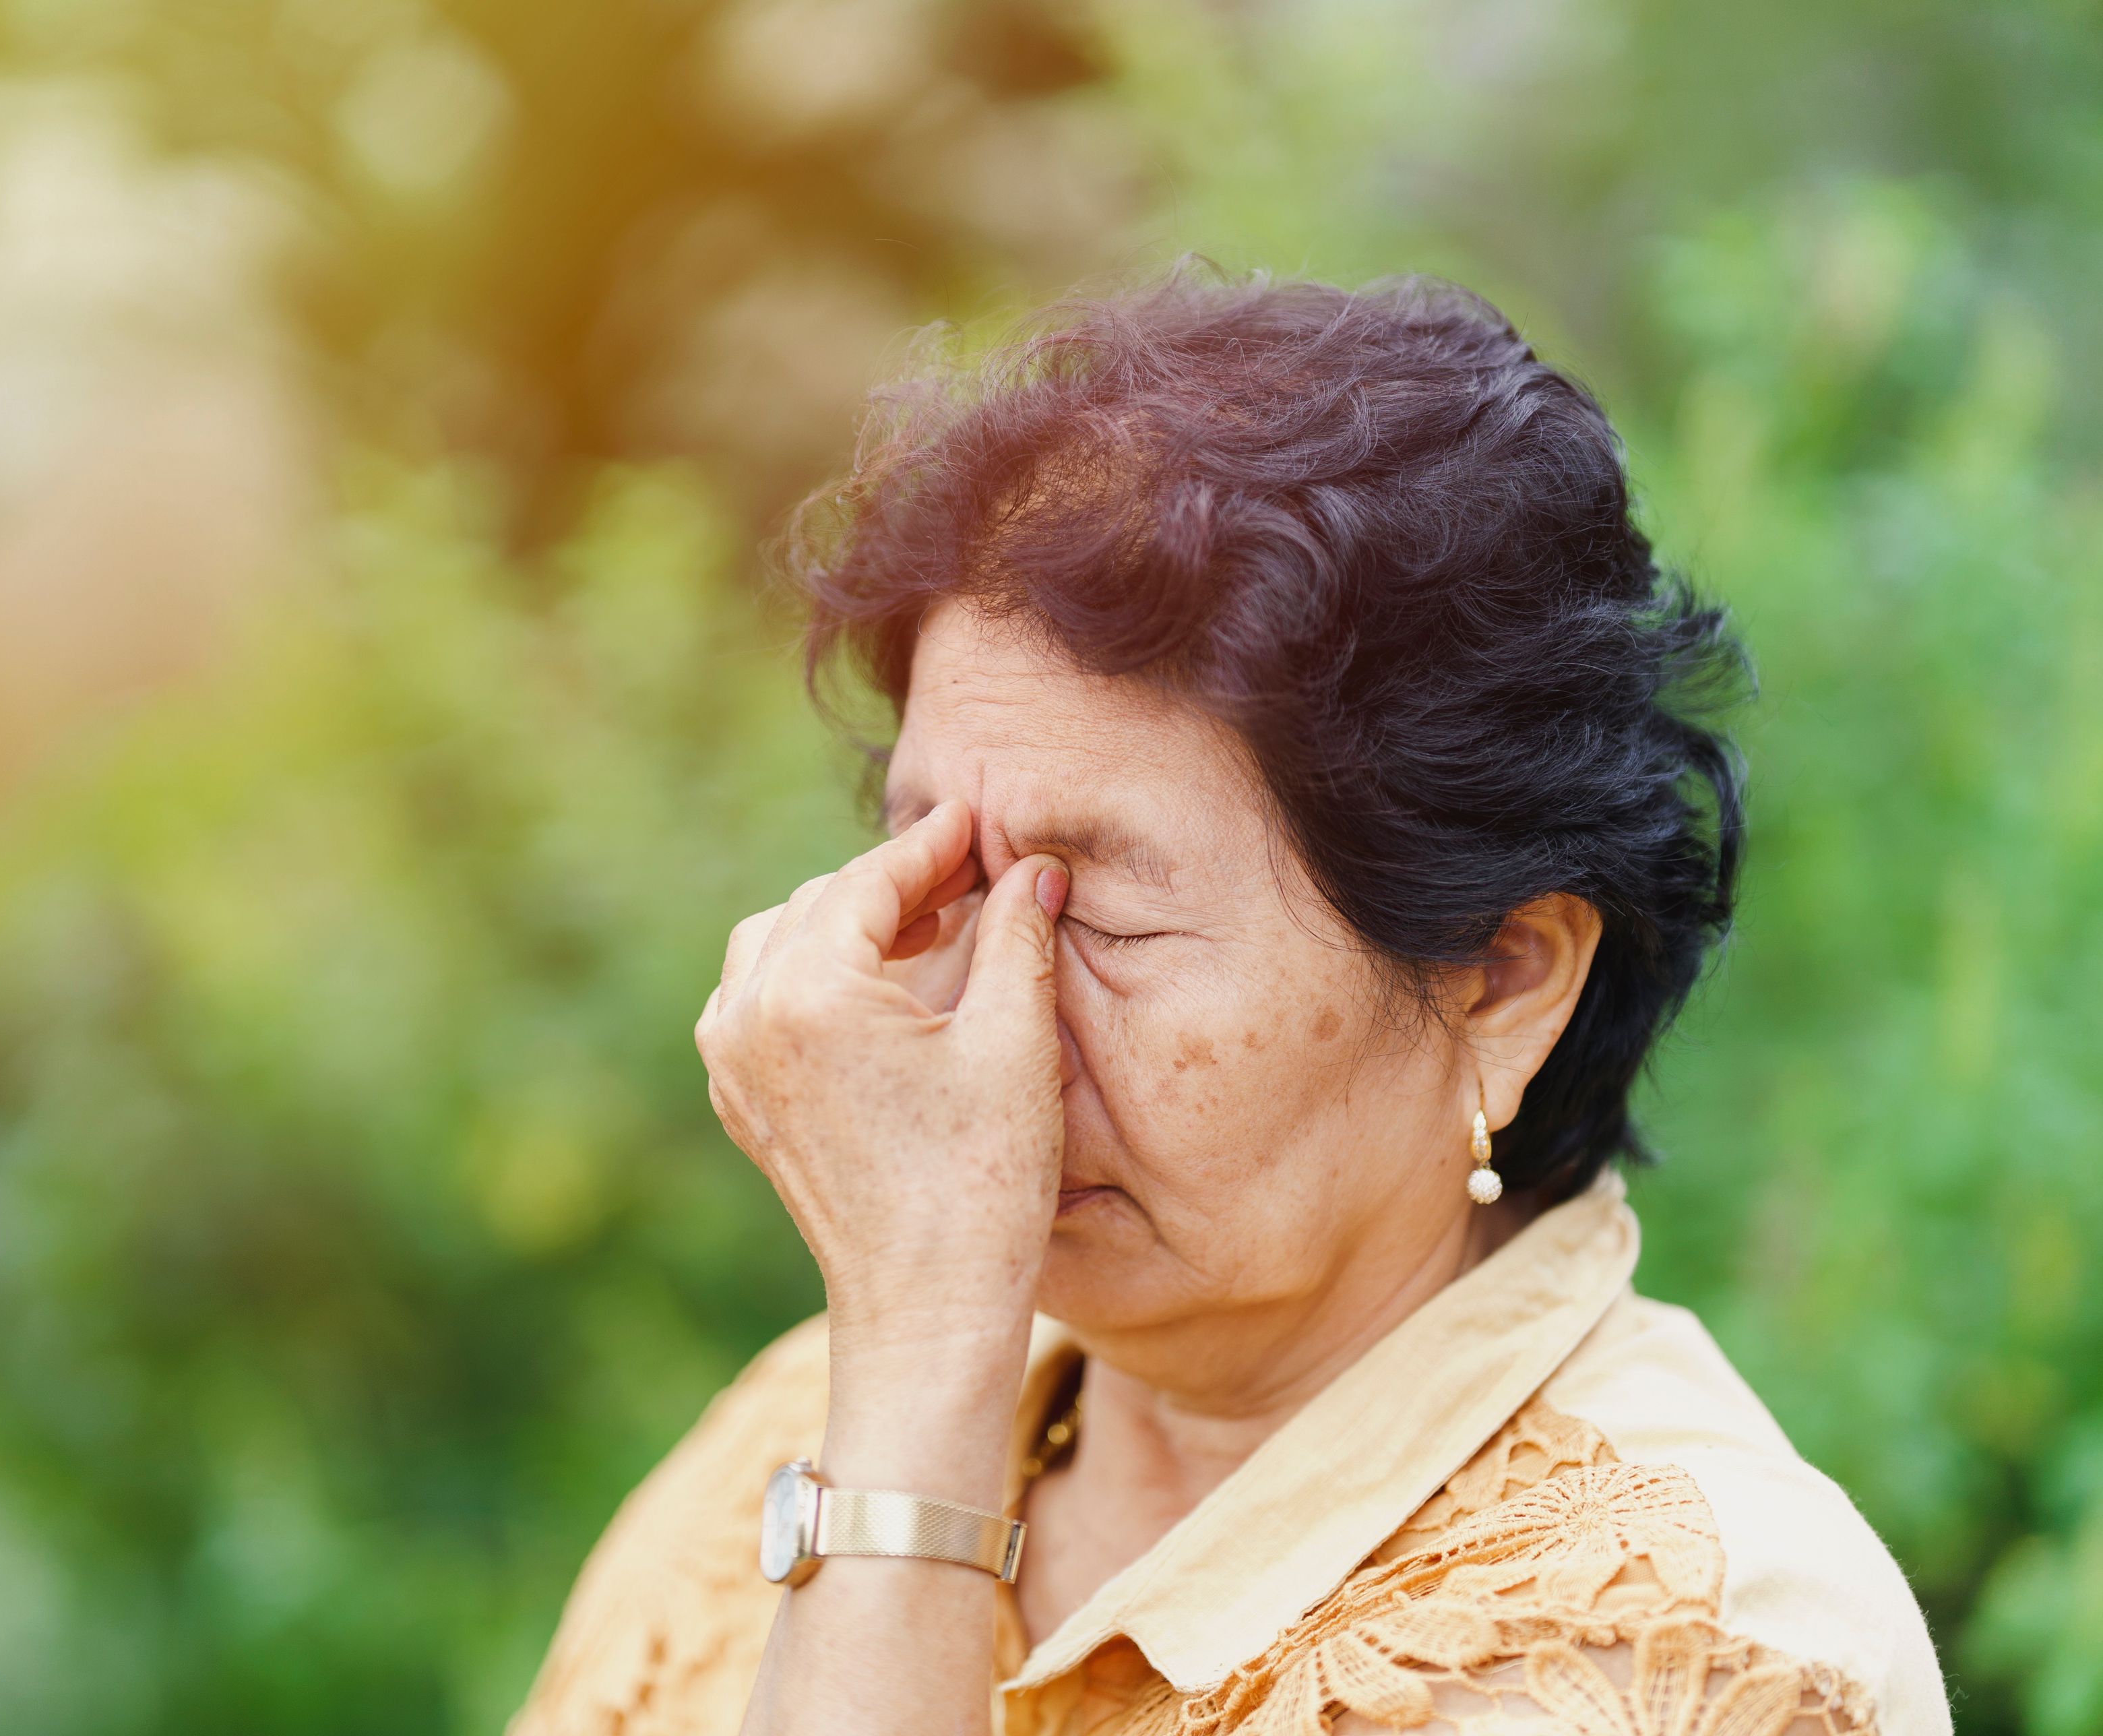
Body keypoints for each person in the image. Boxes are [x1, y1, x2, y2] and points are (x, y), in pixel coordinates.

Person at [508, 276, 1948, 1736]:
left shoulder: (1687, 1634)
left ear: (1503, 977)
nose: (985, 1031)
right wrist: (916, 1367)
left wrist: (908, 1430)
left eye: (1106, 917)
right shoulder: (817, 1409)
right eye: (942, 879)